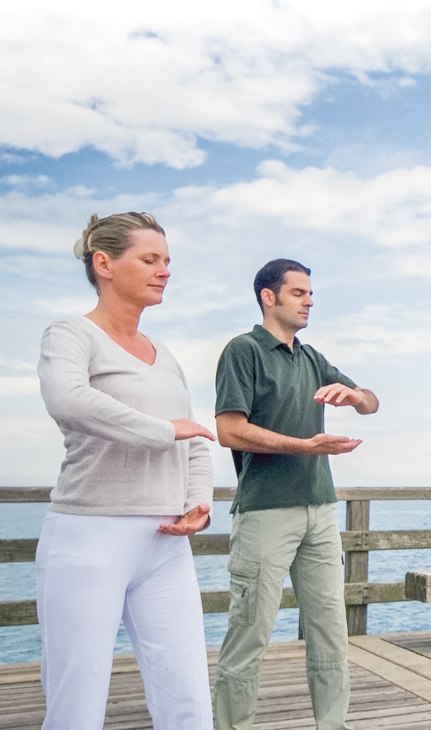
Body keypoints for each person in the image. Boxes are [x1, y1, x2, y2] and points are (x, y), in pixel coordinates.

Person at [36, 212, 215, 729]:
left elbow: (194, 437)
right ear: (104, 263)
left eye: (167, 262)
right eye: (150, 259)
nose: (164, 271)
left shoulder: (166, 357)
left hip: (165, 544)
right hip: (89, 536)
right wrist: (165, 431)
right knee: (77, 705)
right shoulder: (70, 335)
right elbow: (70, 401)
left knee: (188, 701)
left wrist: (198, 501)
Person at [212, 258, 379, 730]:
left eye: (311, 294)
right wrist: (306, 447)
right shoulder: (243, 351)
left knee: (331, 632)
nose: (309, 301)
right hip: (265, 512)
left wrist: (356, 395)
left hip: (320, 511)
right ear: (269, 296)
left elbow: (371, 403)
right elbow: (229, 430)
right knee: (249, 635)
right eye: (299, 293)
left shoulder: (311, 358)